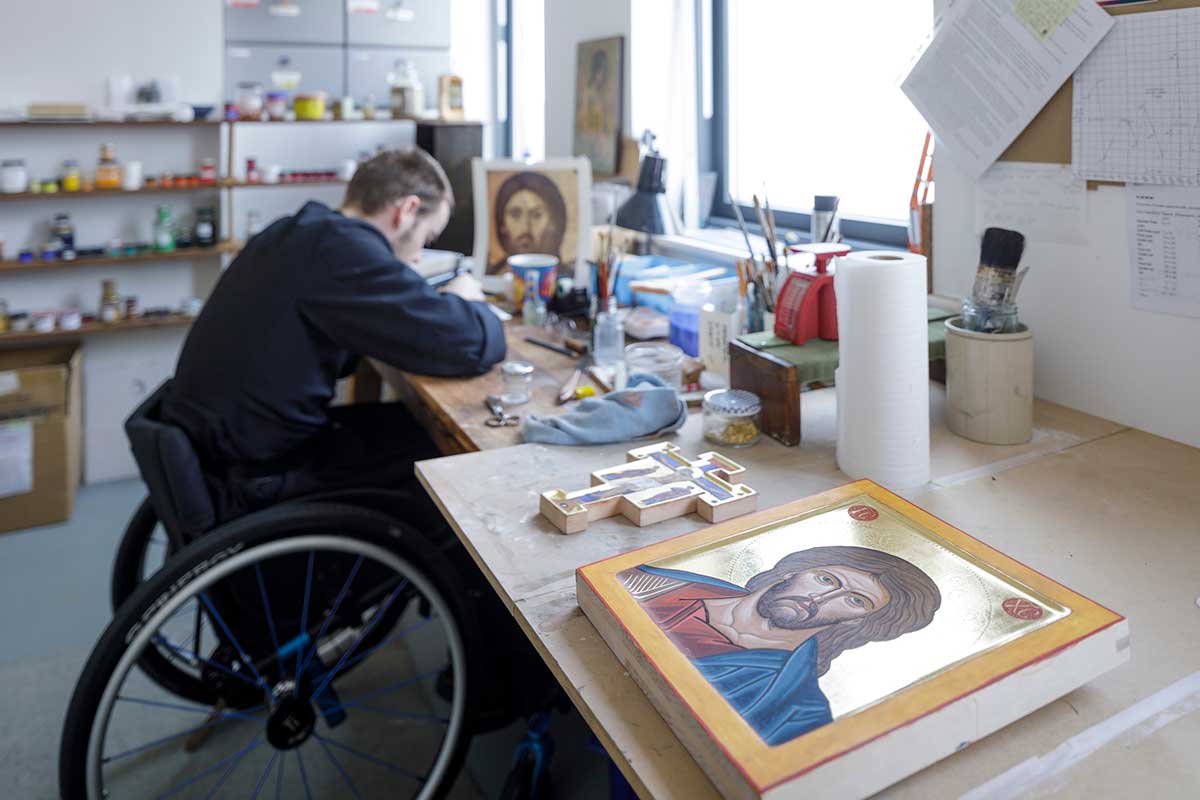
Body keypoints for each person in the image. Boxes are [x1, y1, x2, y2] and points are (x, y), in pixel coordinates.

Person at [162, 147, 505, 522]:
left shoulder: (298, 232)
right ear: (406, 211)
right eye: (426, 236)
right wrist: (470, 301)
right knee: (447, 459)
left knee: (403, 425)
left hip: (223, 449)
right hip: (262, 471)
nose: (421, 255)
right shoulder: (344, 253)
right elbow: (468, 344)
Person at [621, 545, 941, 745]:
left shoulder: (796, 710)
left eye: (855, 600)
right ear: (793, 571)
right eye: (826, 580)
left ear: (856, 621)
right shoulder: (653, 585)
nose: (820, 598)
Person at [488, 171, 568, 273]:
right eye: (515, 215)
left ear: (551, 224)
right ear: (502, 225)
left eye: (536, 215)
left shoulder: (567, 279)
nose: (525, 228)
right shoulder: (491, 276)